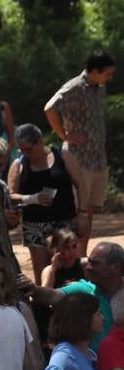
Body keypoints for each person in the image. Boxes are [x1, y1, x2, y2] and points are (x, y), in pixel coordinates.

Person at [44, 52, 115, 255]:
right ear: (94, 71)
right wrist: (64, 135)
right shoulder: (74, 87)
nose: (110, 77)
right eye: (107, 74)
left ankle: (81, 258)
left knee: (88, 211)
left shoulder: (98, 88)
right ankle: (68, 259)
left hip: (98, 160)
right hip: (79, 159)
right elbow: (50, 107)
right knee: (75, 211)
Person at [10, 123, 83, 283]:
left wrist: (82, 214)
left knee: (69, 267)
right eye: (21, 150)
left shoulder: (62, 155)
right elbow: (10, 196)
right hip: (34, 225)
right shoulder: (19, 163)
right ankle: (43, 305)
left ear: (40, 142)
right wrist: (33, 198)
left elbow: (80, 184)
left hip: (64, 221)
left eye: (28, 149)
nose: (25, 153)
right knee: (41, 270)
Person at [0, 138, 21, 231]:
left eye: (4, 165)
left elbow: (9, 222)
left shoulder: (2, 186)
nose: (1, 168)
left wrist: (13, 221)